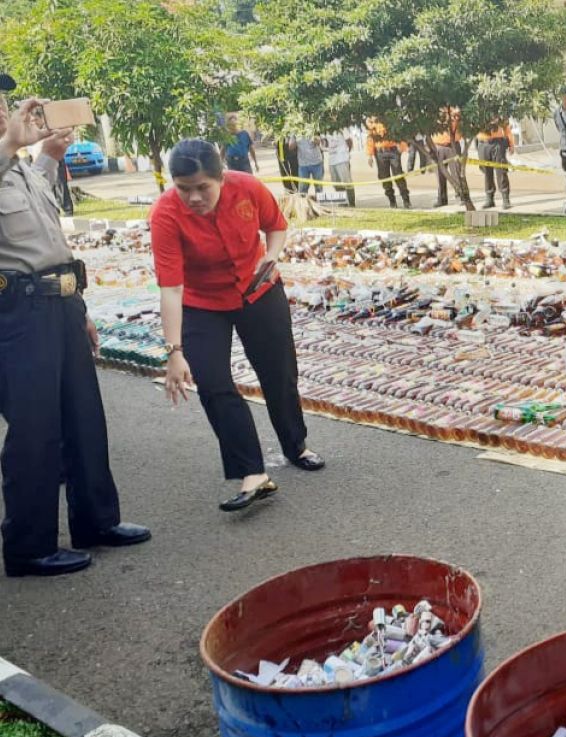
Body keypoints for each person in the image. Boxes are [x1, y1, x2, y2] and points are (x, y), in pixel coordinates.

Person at [0, 81, 151, 578]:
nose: (4, 112)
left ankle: (96, 521)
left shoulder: (20, 168)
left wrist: (47, 154)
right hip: (17, 313)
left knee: (84, 418)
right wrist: (11, 147)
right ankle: (28, 547)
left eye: (3, 103)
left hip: (59, 303)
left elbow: (51, 246)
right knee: (35, 430)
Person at [149, 140, 325, 513]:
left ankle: (296, 446)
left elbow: (276, 226)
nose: (194, 197)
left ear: (221, 177)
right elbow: (171, 287)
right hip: (201, 303)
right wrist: (174, 351)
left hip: (258, 290)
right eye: (184, 189)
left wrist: (272, 258)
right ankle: (252, 473)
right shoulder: (165, 214)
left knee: (279, 373)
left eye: (202, 188)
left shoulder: (247, 187)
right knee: (213, 384)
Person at [367, 118, 411, 209]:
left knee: (398, 176)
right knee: (384, 178)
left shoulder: (389, 115)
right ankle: (392, 201)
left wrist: (403, 147)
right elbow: (370, 139)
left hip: (393, 151)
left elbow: (398, 132)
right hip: (380, 153)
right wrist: (370, 155)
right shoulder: (372, 119)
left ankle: (406, 200)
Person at [475, 118, 514, 210]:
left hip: (497, 143)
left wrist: (511, 144)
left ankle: (505, 199)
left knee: (501, 171)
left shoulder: (498, 109)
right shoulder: (477, 110)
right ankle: (489, 199)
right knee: (487, 172)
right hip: (483, 143)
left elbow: (506, 128)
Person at [431, 107, 465, 208]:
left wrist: (455, 114)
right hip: (438, 146)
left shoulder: (455, 109)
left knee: (456, 173)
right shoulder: (434, 110)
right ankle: (442, 199)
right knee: (440, 175)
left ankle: (462, 197)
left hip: (452, 146)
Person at [323, 130, 355, 207]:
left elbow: (349, 141)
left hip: (342, 159)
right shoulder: (324, 129)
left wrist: (347, 153)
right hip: (332, 160)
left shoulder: (342, 127)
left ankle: (352, 203)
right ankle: (342, 202)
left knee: (347, 182)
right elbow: (325, 143)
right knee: (336, 183)